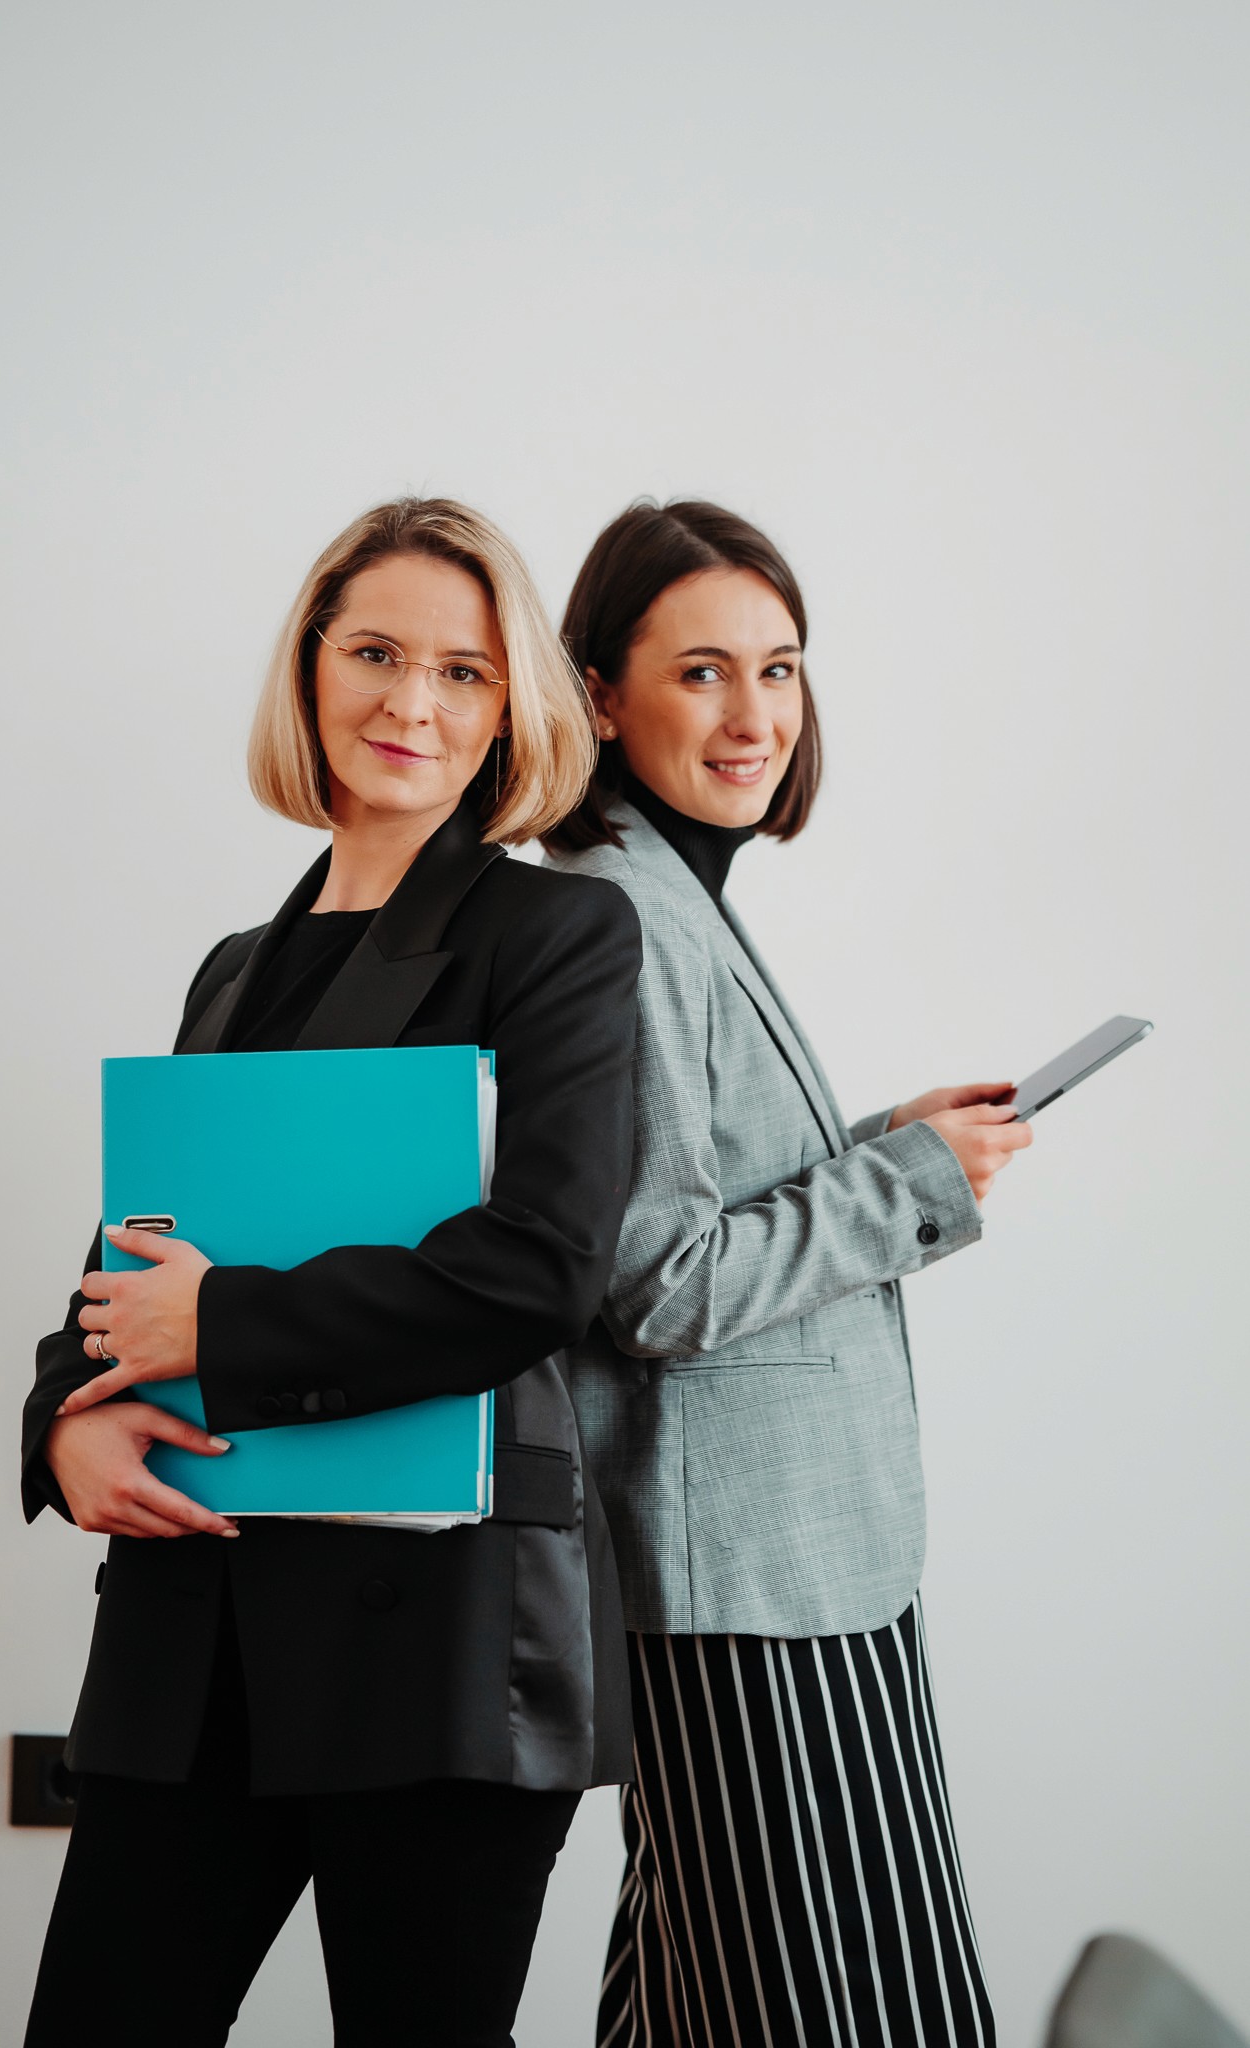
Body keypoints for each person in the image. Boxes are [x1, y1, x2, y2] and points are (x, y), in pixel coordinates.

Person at [21, 497, 643, 2048]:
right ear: (309, 670)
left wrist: (219, 1323)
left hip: (434, 1641)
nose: (410, 704)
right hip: (194, 1632)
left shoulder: (558, 933)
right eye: (373, 652)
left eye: (464, 670)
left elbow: (539, 1271)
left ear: (514, 707)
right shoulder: (236, 963)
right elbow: (136, 1251)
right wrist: (64, 1417)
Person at [543, 499, 1033, 2048]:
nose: (754, 715)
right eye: (701, 673)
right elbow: (657, 1284)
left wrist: (870, 1142)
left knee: (703, 1998)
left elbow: (693, 1197)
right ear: (600, 695)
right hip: (746, 1582)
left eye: (780, 668)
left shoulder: (674, 892)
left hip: (796, 1565)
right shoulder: (620, 911)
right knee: (841, 2008)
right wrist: (900, 1188)